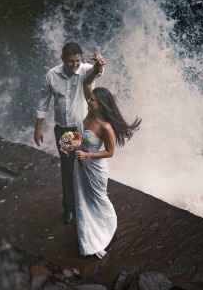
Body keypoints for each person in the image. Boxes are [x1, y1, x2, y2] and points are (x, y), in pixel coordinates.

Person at [71, 72, 141, 259]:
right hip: (80, 164)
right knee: (82, 200)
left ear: (101, 104)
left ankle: (106, 229)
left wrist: (88, 155)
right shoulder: (88, 114)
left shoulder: (106, 127)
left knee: (98, 199)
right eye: (90, 99)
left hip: (94, 167)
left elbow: (110, 152)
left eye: (93, 100)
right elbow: (86, 83)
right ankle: (87, 238)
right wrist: (96, 67)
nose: (89, 102)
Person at [34, 42, 105, 224]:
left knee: (85, 167)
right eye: (71, 61)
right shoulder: (52, 75)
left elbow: (95, 72)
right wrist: (38, 128)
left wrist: (99, 64)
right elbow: (43, 103)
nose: (75, 65)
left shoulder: (84, 70)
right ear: (63, 59)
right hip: (65, 131)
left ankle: (89, 206)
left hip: (82, 127)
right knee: (67, 169)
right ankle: (69, 208)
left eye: (77, 61)